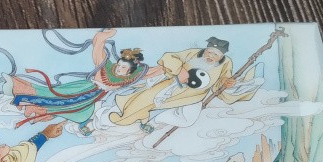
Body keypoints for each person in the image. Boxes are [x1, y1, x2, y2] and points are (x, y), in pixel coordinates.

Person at [5, 28, 148, 134]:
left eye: (123, 67)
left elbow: (149, 72)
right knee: (55, 95)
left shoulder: (129, 78)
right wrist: (106, 35)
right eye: (119, 64)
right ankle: (18, 90)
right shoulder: (106, 66)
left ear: (129, 71)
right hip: (83, 88)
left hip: (93, 99)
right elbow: (98, 44)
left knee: (78, 113)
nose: (119, 68)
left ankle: (33, 109)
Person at [108, 37, 257, 132]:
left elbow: (223, 79)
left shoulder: (226, 62)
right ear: (205, 50)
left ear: (222, 56)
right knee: (145, 99)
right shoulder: (194, 53)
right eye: (209, 52)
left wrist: (226, 82)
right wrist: (179, 70)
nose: (211, 56)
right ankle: (122, 118)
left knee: (187, 120)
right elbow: (169, 56)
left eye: (215, 54)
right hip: (172, 85)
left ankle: (154, 122)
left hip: (193, 96)